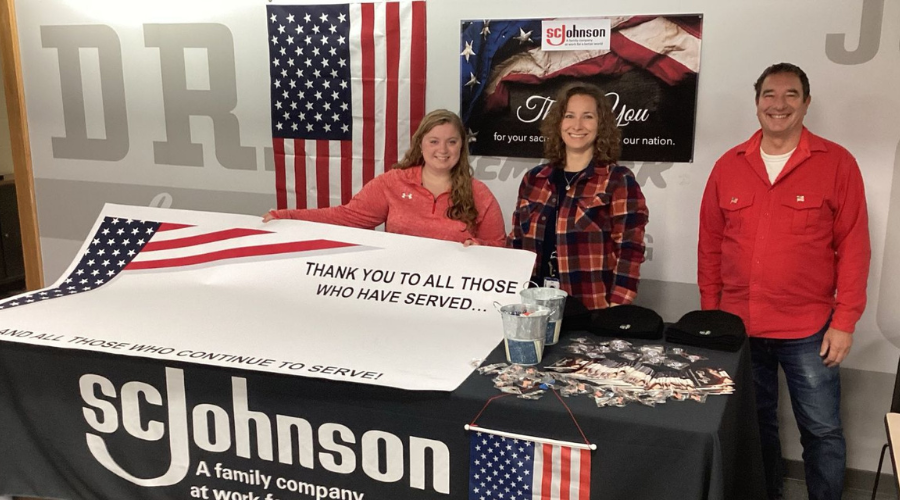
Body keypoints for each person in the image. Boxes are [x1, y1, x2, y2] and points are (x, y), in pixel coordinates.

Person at [698, 63, 870, 500]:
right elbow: (710, 245)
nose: (779, 104)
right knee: (755, 429)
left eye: (791, 95)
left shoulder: (837, 164)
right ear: (757, 103)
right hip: (742, 326)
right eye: (769, 95)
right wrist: (712, 314)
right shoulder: (728, 166)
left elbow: (854, 247)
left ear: (806, 103)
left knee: (822, 430)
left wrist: (845, 321)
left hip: (809, 328)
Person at [264, 109, 506, 246]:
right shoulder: (393, 183)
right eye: (434, 141)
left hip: (455, 296)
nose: (442, 150)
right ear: (420, 145)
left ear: (461, 147)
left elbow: (500, 248)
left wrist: (481, 248)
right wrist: (288, 216)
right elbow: (345, 217)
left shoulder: (479, 194)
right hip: (397, 288)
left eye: (451, 142)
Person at [507, 82, 649, 312]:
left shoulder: (618, 180)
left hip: (592, 309)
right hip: (534, 308)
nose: (577, 125)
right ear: (558, 123)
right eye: (569, 115)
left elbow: (630, 251)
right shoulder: (534, 179)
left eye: (588, 117)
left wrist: (616, 308)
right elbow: (515, 243)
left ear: (601, 124)